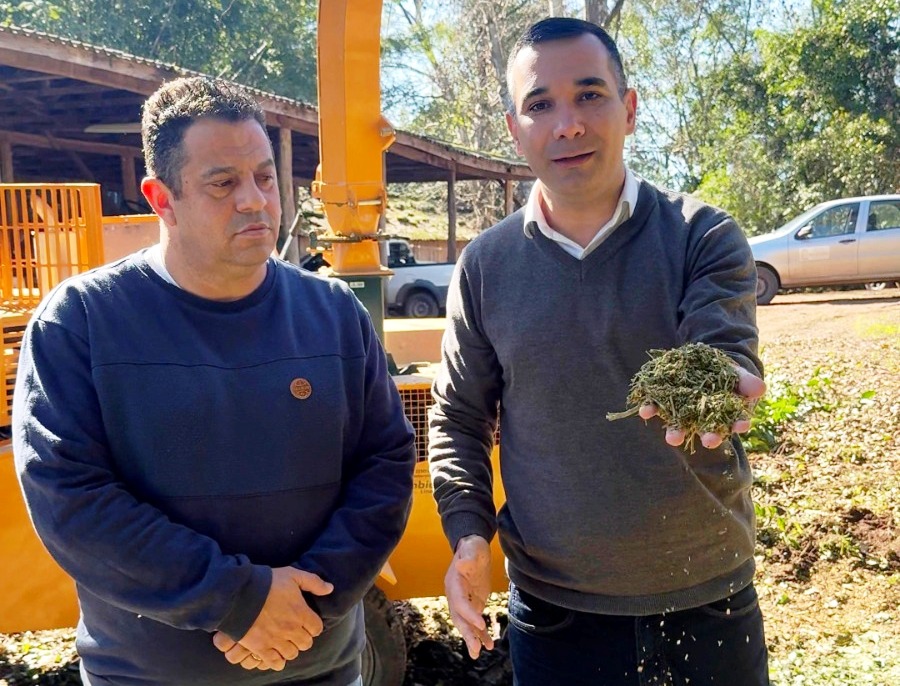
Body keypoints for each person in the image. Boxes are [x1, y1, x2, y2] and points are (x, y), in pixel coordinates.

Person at [13, 76, 416, 686]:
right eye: (223, 183)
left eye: (264, 177)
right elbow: (69, 497)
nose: (255, 200)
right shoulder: (84, 322)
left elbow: (385, 464)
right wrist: (237, 598)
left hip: (319, 668)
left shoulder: (333, 316)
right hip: (147, 676)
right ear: (161, 198)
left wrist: (305, 605)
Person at [428, 17, 770, 686]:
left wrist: (720, 381)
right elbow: (459, 418)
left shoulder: (700, 235)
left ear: (630, 108)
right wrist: (469, 535)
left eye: (590, 95)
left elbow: (721, 345)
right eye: (541, 104)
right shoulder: (486, 266)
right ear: (513, 127)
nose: (568, 123)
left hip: (705, 590)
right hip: (557, 611)